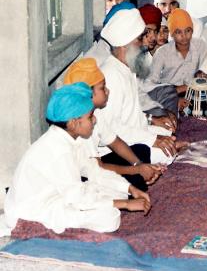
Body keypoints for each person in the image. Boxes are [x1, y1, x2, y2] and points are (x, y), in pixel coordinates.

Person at [4, 83, 151, 235]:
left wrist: (129, 189)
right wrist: (126, 204)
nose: (94, 121)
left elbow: (96, 171)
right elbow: (77, 197)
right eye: (90, 117)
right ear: (73, 123)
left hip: (59, 197)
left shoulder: (70, 139)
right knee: (109, 217)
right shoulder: (58, 150)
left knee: (115, 193)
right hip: (34, 211)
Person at [97, 7, 181, 164]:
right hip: (112, 148)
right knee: (166, 152)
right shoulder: (110, 75)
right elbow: (110, 129)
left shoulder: (126, 68)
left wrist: (152, 120)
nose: (144, 43)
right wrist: (152, 139)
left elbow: (130, 116)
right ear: (124, 45)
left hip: (131, 134)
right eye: (139, 39)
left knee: (167, 132)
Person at [64, 58, 162, 191]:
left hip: (97, 165)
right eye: (102, 87)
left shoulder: (97, 112)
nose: (108, 91)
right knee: (134, 180)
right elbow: (97, 169)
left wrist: (139, 163)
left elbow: (115, 142)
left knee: (141, 150)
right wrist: (136, 170)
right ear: (89, 95)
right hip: (85, 176)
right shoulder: (81, 124)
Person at [148, 8, 207, 110]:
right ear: (171, 34)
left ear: (192, 30)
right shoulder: (162, 52)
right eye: (178, 32)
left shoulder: (200, 46)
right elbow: (151, 86)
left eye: (187, 30)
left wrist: (203, 74)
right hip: (168, 96)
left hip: (196, 95)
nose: (184, 36)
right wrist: (175, 93)